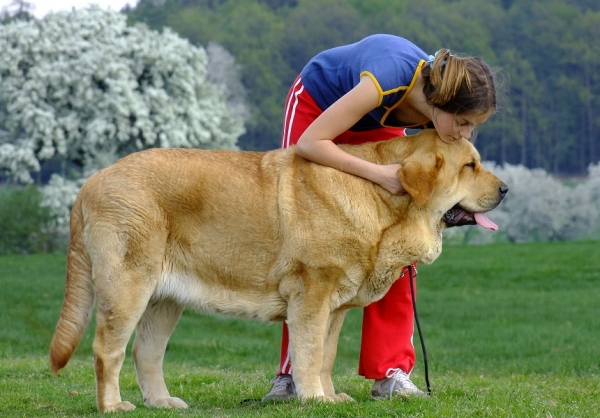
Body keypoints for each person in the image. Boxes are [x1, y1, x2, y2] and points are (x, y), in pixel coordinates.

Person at [262, 34, 497, 401]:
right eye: (463, 123)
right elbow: (311, 143)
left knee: (400, 241)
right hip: (318, 111)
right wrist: (378, 174)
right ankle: (292, 376)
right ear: (440, 103)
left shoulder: (437, 119)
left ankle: (391, 372)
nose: (465, 134)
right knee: (311, 249)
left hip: (377, 125)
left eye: (473, 127)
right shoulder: (388, 77)